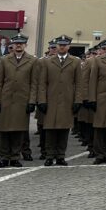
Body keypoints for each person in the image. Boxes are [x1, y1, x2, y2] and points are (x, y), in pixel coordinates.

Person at [0, 33, 37, 168]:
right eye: (16, 43)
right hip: (6, 99)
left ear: (25, 45)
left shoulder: (32, 61)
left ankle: (15, 157)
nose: (18, 45)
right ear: (12, 45)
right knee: (4, 130)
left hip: (22, 100)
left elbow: (34, 83)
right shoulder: (5, 60)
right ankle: (4, 157)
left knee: (19, 130)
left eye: (21, 43)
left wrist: (32, 101)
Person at [36, 34, 80, 166]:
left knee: (64, 129)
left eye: (64, 45)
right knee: (50, 129)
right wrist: (42, 100)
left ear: (68, 46)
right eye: (60, 45)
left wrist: (78, 100)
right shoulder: (47, 61)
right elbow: (42, 83)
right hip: (51, 99)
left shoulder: (75, 61)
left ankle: (61, 155)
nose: (62, 47)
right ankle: (49, 155)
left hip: (67, 100)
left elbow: (79, 83)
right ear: (56, 46)